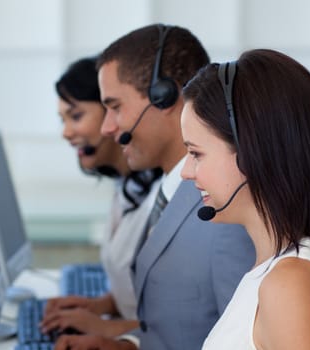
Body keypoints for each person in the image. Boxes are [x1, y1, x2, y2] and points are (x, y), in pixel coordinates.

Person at [54, 24, 255, 350]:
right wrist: (125, 344)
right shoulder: (170, 192)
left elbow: (242, 339)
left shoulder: (224, 210)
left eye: (115, 107)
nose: (107, 128)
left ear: (165, 96)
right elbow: (179, 326)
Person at [180, 49, 310, 349]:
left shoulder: (290, 283)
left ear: (251, 152)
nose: (186, 172)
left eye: (195, 154)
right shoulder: (271, 269)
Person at [41, 56, 162, 337]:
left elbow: (183, 324)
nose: (66, 133)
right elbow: (137, 291)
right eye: (63, 120)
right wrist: (100, 305)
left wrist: (106, 328)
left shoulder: (164, 196)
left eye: (76, 116)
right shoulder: (126, 186)